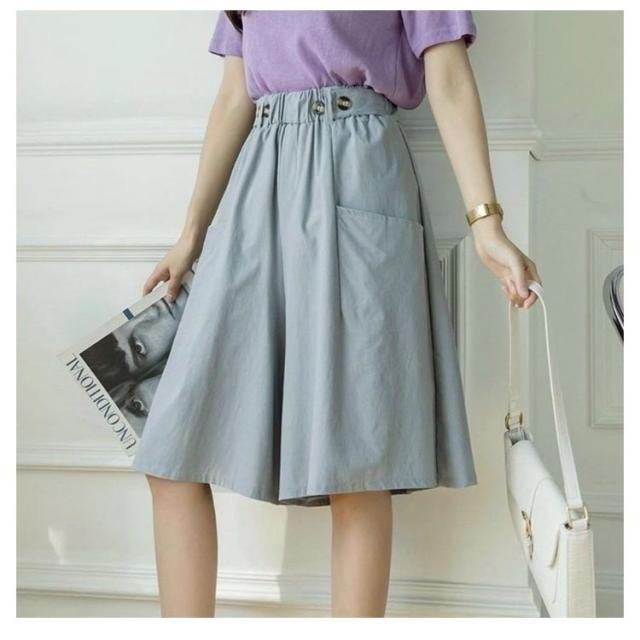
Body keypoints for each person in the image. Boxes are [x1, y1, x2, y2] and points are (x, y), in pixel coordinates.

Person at [131, 10, 541, 618]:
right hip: (259, 186)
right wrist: (191, 234)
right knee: (170, 454)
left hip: (358, 171)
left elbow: (449, 74)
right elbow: (233, 95)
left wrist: (486, 223)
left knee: (356, 464)